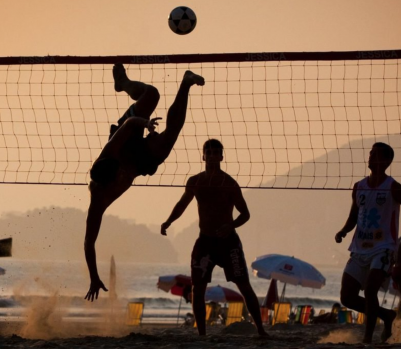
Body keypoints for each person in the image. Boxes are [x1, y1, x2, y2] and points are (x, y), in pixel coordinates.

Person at [84, 64, 205, 301]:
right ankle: (186, 83)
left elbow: (129, 125)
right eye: (119, 179)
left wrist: (145, 123)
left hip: (129, 136)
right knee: (170, 137)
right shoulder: (99, 200)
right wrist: (94, 276)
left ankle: (124, 85)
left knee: (152, 94)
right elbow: (89, 242)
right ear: (111, 184)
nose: (122, 178)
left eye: (121, 174)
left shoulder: (111, 151)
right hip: (140, 162)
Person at [160, 139, 268, 337]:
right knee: (198, 289)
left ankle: (260, 330)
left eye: (215, 152)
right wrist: (168, 222)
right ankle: (202, 334)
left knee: (244, 285)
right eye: (208, 152)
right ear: (203, 156)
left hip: (228, 242)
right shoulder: (195, 182)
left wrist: (230, 225)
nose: (211, 155)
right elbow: (182, 204)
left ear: (221, 157)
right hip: (205, 241)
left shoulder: (229, 184)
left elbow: (245, 214)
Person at [335, 142, 401, 344]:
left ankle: (367, 338)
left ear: (386, 160)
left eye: (375, 154)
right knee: (346, 298)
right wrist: (343, 231)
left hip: (383, 248)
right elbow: (353, 217)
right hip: (359, 249)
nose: (370, 156)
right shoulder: (359, 186)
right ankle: (386, 315)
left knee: (371, 290)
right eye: (370, 153)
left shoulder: (393, 187)